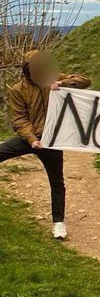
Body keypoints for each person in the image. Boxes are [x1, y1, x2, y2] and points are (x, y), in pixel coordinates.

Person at [0, 50, 91, 239]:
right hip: (31, 138)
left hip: (53, 140)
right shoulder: (18, 90)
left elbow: (85, 80)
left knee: (57, 181)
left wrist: (62, 84)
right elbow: (19, 119)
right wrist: (32, 139)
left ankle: (59, 223)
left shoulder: (53, 78)